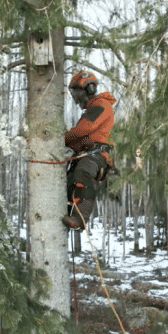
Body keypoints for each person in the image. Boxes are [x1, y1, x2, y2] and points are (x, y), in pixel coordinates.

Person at [63, 70, 118, 230]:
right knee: (70, 179)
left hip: (98, 155)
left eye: (76, 91)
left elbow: (83, 130)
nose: (75, 96)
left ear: (89, 89)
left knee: (83, 172)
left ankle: (80, 218)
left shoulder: (100, 106)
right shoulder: (92, 109)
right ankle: (66, 213)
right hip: (87, 153)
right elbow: (81, 140)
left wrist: (62, 139)